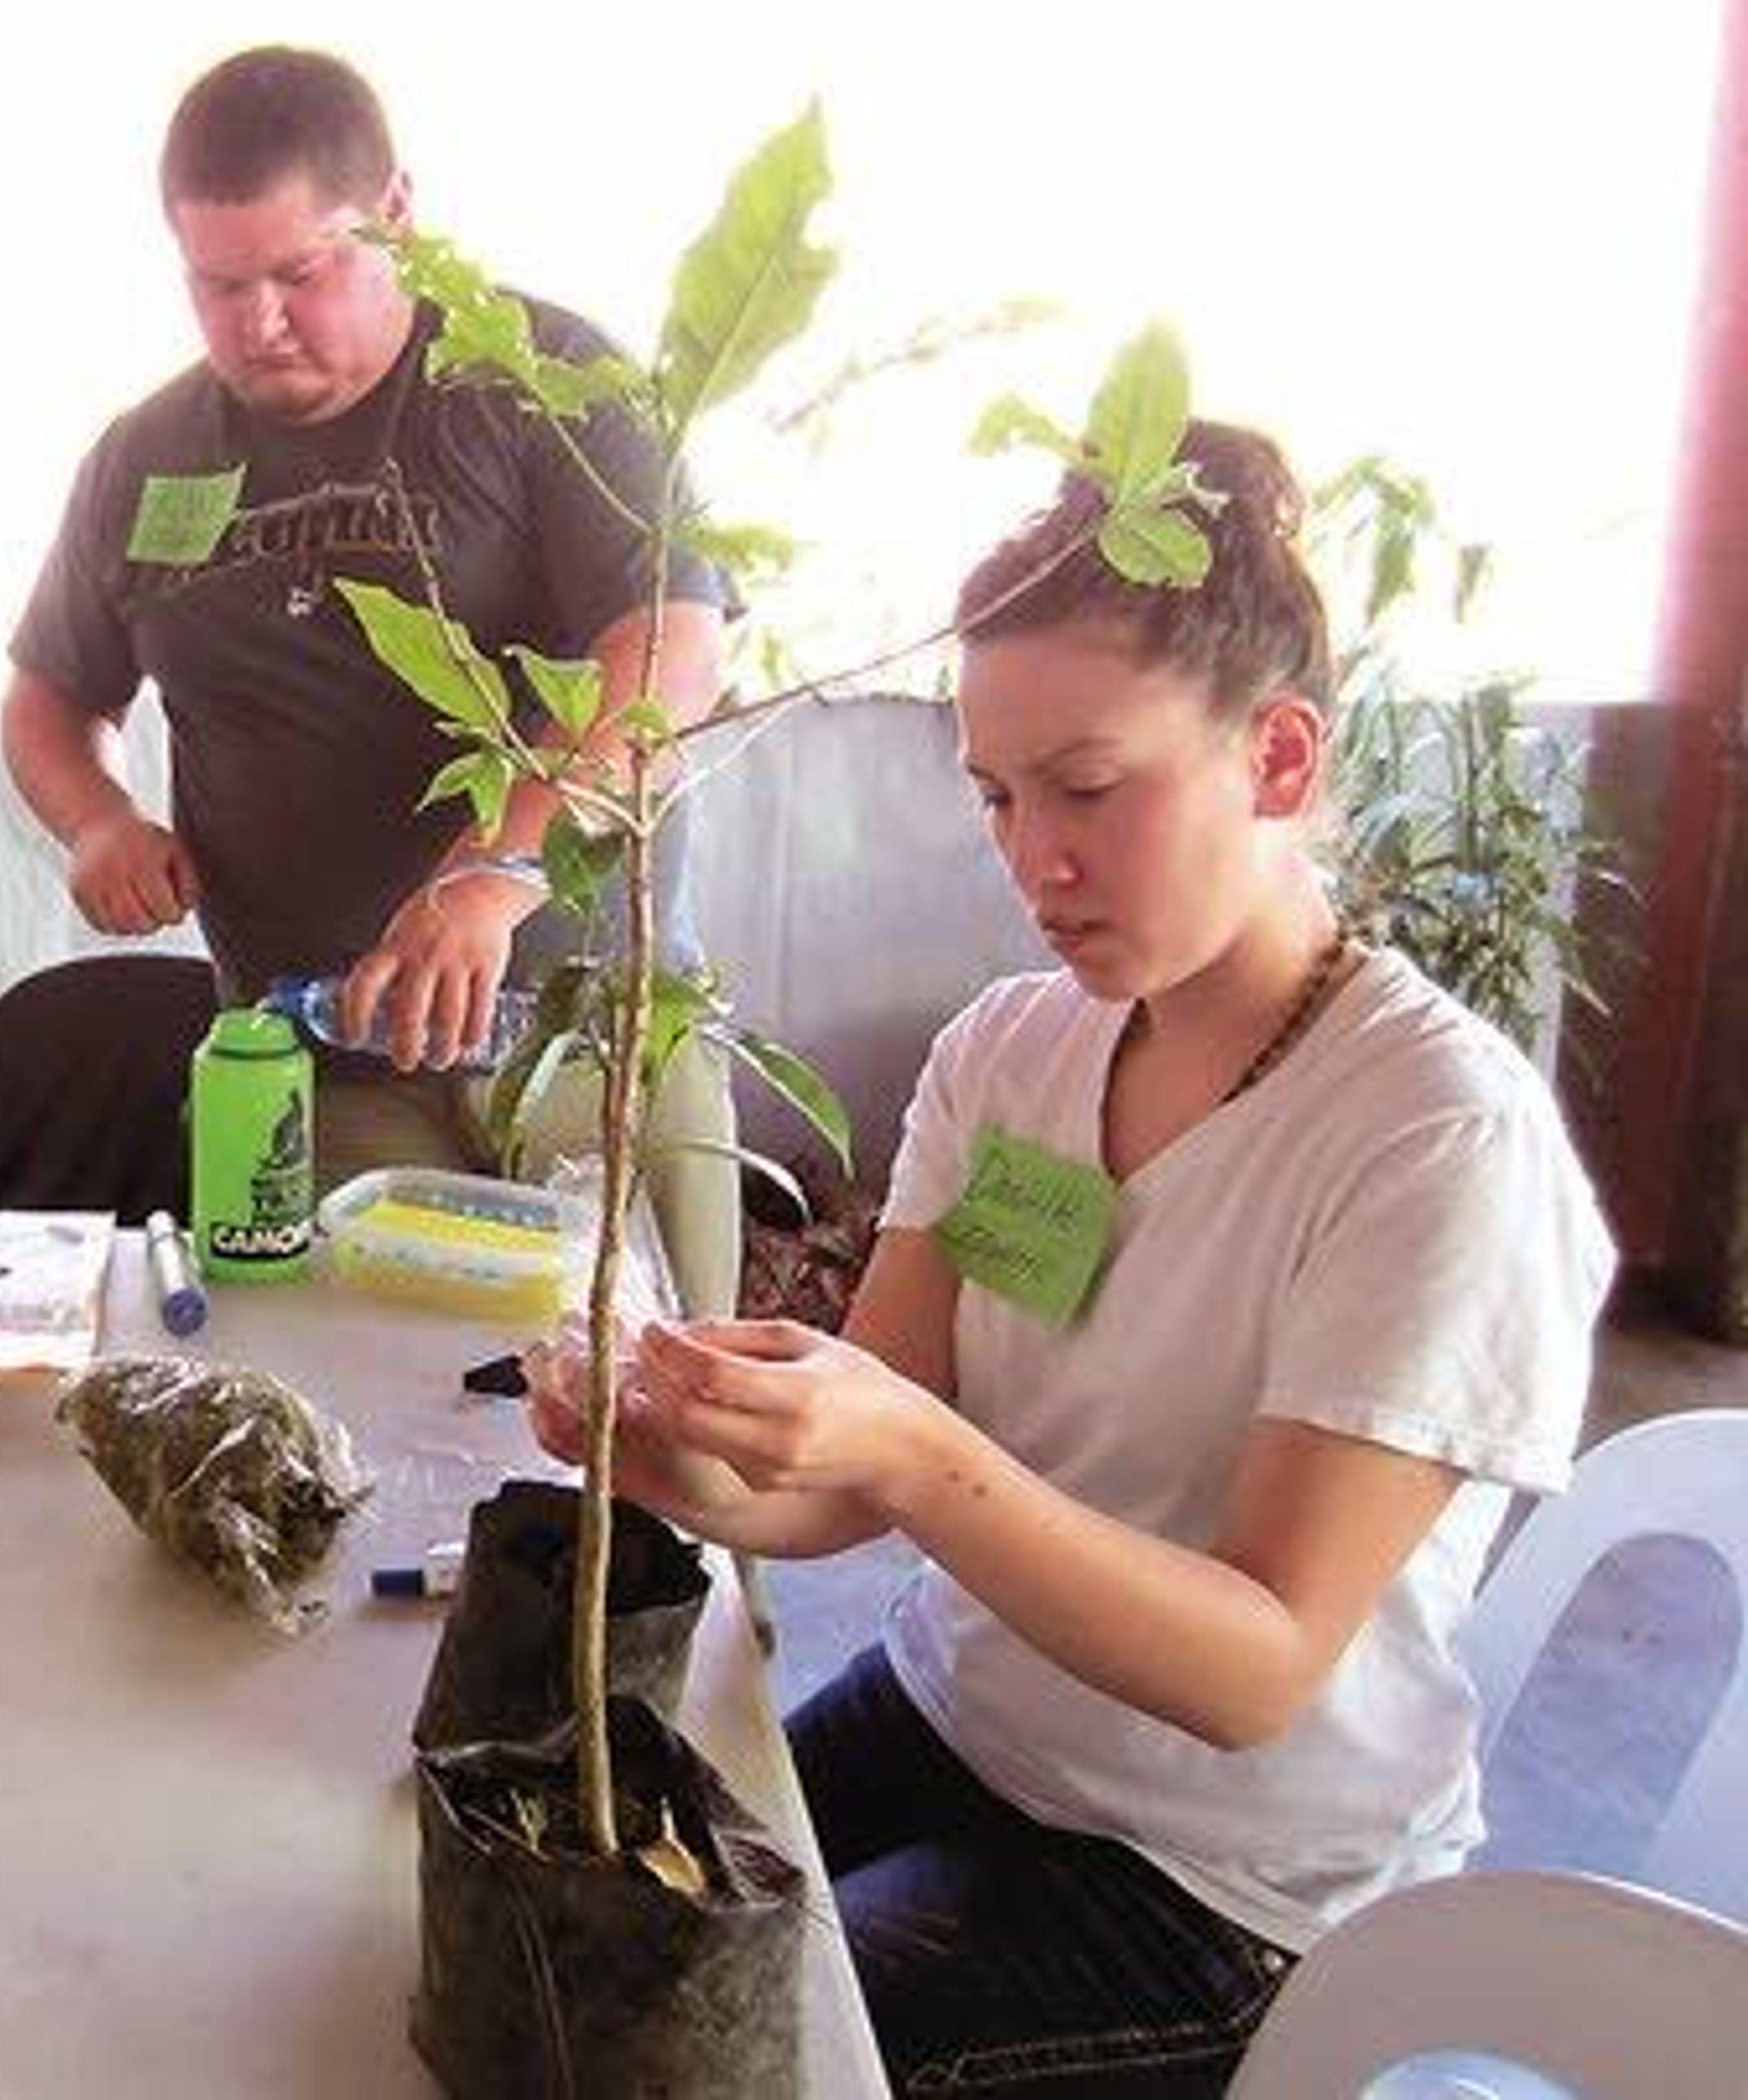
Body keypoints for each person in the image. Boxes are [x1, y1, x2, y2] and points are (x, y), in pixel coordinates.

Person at [533, 421, 1616, 2093]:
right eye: (996, 795)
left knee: (699, 2051)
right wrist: (678, 1449)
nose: (1035, 857)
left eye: (1090, 789)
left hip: (1219, 1878)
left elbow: (1258, 1664)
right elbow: (849, 1476)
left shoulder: (1429, 1137)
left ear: (1279, 758)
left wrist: (905, 1447)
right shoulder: (1015, 1052)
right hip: (966, 1714)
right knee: (581, 1923)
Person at [2, 43, 744, 1301]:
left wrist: (497, 871)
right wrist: (95, 818)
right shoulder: (145, 457)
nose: (260, 323)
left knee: (640, 1436)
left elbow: (674, 648)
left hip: (584, 1043)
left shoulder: (539, 385)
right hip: (321, 1065)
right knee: (350, 1434)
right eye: (216, 285)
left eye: (302, 271)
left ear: (397, 212)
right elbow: (49, 696)